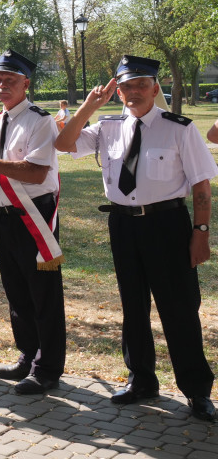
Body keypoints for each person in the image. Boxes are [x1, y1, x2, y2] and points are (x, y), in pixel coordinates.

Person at [56, 55, 216, 422]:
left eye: (141, 84)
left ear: (155, 87)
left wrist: (201, 232)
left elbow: (201, 185)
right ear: (117, 90)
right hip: (123, 226)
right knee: (133, 306)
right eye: (126, 85)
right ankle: (141, 379)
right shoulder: (107, 126)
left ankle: (196, 390)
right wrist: (87, 107)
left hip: (168, 226)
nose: (133, 92)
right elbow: (65, 143)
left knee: (178, 309)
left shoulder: (180, 128)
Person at [0, 50, 65, 396]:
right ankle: (27, 355)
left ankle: (48, 368)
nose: (2, 85)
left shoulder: (41, 121)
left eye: (10, 79)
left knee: (43, 295)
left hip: (34, 215)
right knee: (17, 293)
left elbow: (38, 173)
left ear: (26, 82)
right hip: (3, 217)